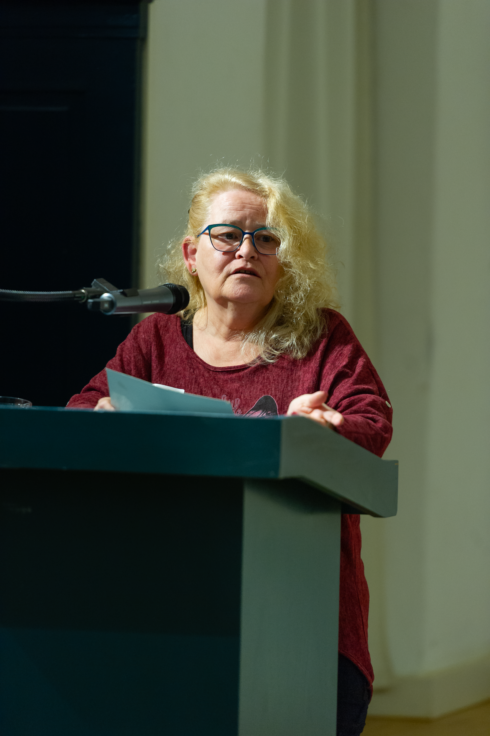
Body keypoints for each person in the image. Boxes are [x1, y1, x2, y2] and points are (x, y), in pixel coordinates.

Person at [67, 167, 392, 735]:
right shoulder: (153, 339)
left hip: (303, 623)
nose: (247, 251)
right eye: (227, 236)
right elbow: (81, 412)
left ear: (284, 261)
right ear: (191, 255)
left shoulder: (323, 337)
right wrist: (104, 419)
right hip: (169, 615)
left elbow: (373, 424)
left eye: (266, 239)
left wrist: (325, 429)